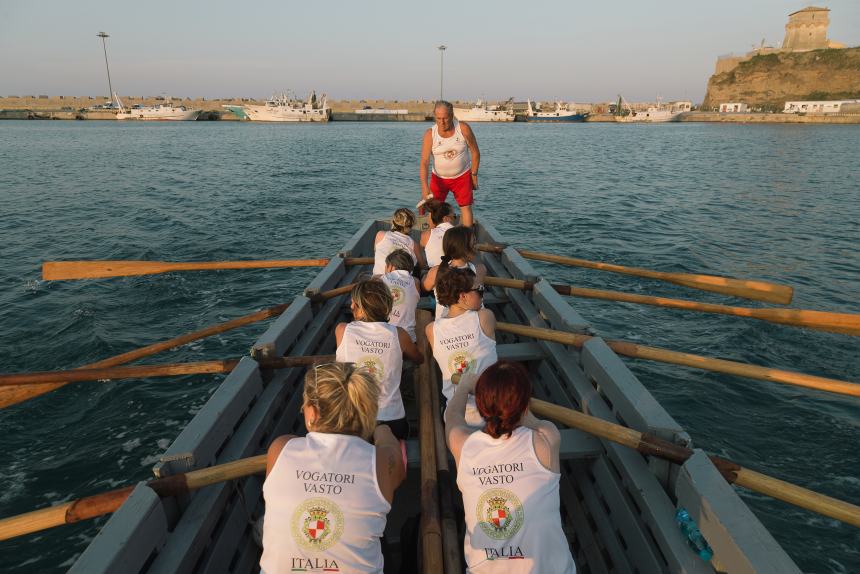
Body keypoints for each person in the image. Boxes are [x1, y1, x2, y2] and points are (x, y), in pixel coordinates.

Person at [261, 362, 405, 573]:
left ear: (313, 412)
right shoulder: (381, 461)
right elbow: (397, 465)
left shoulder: (280, 448)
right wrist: (381, 429)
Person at [446, 361, 576, 573]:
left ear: (480, 405)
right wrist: (518, 400)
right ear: (525, 405)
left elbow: (452, 417)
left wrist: (464, 387)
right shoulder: (547, 439)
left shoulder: (462, 445)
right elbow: (531, 420)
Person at [336, 279, 423, 440]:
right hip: (393, 424)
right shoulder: (399, 334)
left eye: (354, 303)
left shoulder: (342, 330)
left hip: (353, 423)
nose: (351, 306)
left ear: (361, 308)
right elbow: (419, 358)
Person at [426, 266, 496, 426]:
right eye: (479, 290)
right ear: (463, 296)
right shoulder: (485, 317)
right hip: (492, 416)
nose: (482, 294)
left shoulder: (431, 330)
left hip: (456, 418)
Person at [420, 100, 481, 227]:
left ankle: (467, 240)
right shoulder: (430, 134)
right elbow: (424, 162)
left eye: (445, 118)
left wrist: (474, 175)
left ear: (452, 115)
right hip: (438, 178)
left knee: (466, 208)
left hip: (462, 176)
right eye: (438, 118)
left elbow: (475, 153)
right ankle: (434, 239)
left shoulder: (463, 128)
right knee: (434, 211)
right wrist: (425, 187)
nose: (442, 122)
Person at [422, 225, 487, 319]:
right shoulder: (480, 269)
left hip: (446, 324)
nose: (476, 247)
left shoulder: (436, 271)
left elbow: (425, 288)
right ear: (464, 248)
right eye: (474, 244)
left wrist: (425, 276)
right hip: (474, 321)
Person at [378, 249, 420, 343]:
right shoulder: (416, 282)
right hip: (408, 339)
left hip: (383, 337)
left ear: (391, 267)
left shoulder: (379, 280)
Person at [373, 208, 424, 276]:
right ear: (411, 225)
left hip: (378, 280)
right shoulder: (414, 245)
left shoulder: (380, 235)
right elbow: (422, 265)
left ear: (393, 222)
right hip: (402, 283)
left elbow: (376, 252)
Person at [420, 199, 457, 268]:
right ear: (445, 219)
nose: (455, 219)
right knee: (481, 266)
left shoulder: (426, 235)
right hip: (455, 272)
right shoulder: (461, 232)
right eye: (454, 216)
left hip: (434, 272)